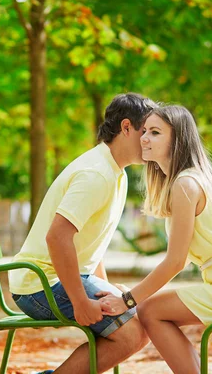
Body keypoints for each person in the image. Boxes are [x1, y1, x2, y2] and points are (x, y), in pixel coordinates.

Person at [99, 104, 212, 374]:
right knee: (152, 308)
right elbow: (180, 259)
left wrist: (128, 299)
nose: (144, 138)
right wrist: (130, 292)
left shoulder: (186, 184)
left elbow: (175, 262)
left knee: (150, 311)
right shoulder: (194, 179)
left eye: (155, 132)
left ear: (178, 140)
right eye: (144, 131)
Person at [8, 93, 158, 374]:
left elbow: (92, 243)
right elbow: (58, 237)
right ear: (126, 128)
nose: (151, 140)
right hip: (40, 284)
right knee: (131, 334)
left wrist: (107, 290)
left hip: (60, 278)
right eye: (146, 132)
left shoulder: (116, 173)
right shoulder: (96, 174)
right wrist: (80, 300)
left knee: (141, 323)